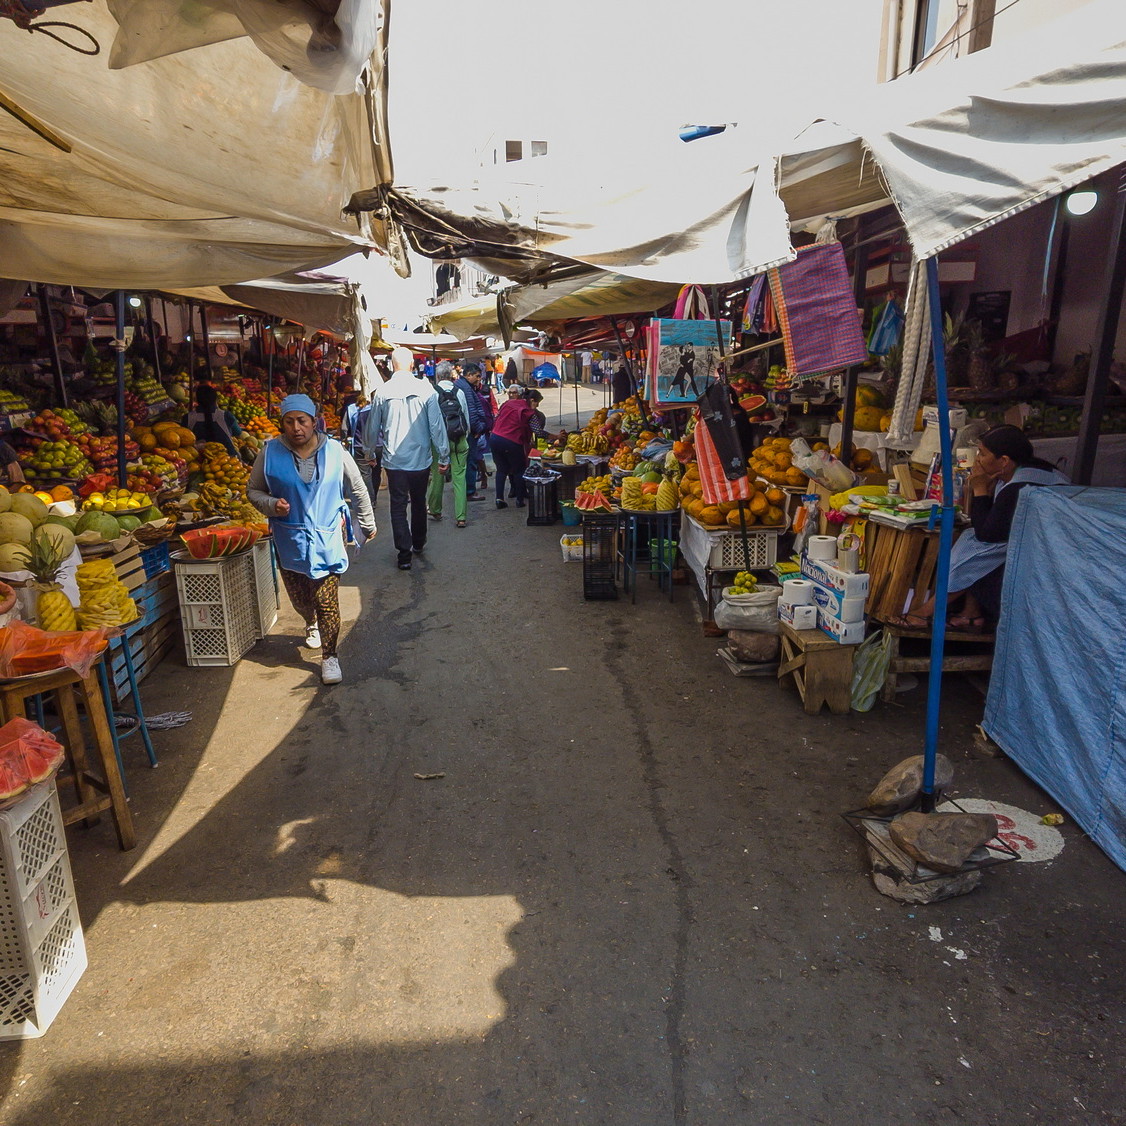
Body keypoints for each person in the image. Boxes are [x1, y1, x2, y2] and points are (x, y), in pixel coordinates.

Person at [248, 394, 376, 685]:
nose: (296, 428)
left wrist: (367, 523)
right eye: (289, 422)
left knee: (327, 600)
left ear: (314, 421)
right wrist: (271, 505)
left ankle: (330, 657)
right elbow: (253, 491)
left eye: (302, 421)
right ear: (282, 423)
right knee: (301, 600)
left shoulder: (334, 450)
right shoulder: (268, 453)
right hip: (289, 540)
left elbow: (357, 488)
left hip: (328, 538)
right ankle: (309, 621)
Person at [888, 425, 1069, 631]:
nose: (978, 460)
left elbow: (987, 534)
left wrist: (980, 489)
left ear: (1004, 461)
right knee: (972, 542)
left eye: (982, 454)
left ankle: (925, 613)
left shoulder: (1021, 488)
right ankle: (970, 614)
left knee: (975, 550)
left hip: (1039, 560)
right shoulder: (1029, 471)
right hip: (1027, 546)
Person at [365, 347, 449, 569]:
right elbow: (436, 426)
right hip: (421, 459)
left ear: (393, 365)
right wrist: (444, 455)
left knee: (398, 505)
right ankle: (418, 542)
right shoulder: (426, 389)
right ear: (412, 365)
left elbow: (372, 427)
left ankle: (404, 553)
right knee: (418, 501)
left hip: (394, 460)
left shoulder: (382, 391)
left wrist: (369, 453)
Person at [489, 387, 552, 508]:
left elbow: (496, 418)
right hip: (512, 441)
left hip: (495, 438)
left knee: (501, 470)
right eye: (537, 403)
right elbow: (538, 432)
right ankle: (519, 499)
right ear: (532, 400)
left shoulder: (508, 403)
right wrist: (555, 436)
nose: (537, 406)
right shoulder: (529, 412)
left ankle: (499, 498)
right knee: (519, 470)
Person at [427, 361, 471, 528]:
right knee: (460, 478)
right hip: (459, 439)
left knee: (437, 476)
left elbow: (431, 422)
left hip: (438, 443)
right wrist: (465, 437)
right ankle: (461, 517)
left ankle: (436, 509)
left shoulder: (432, 393)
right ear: (452, 375)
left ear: (437, 376)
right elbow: (465, 417)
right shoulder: (459, 392)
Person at [456, 362, 490, 501]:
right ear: (468, 375)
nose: (478, 379)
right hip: (470, 433)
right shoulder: (466, 389)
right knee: (470, 461)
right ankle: (470, 491)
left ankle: (464, 489)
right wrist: (478, 428)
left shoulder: (463, 386)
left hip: (463, 430)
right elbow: (472, 412)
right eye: (476, 376)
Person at [186, 383, 242, 455]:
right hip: (227, 460)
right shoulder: (225, 415)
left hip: (197, 460)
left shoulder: (188, 418)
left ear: (197, 400)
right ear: (216, 399)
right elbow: (238, 432)